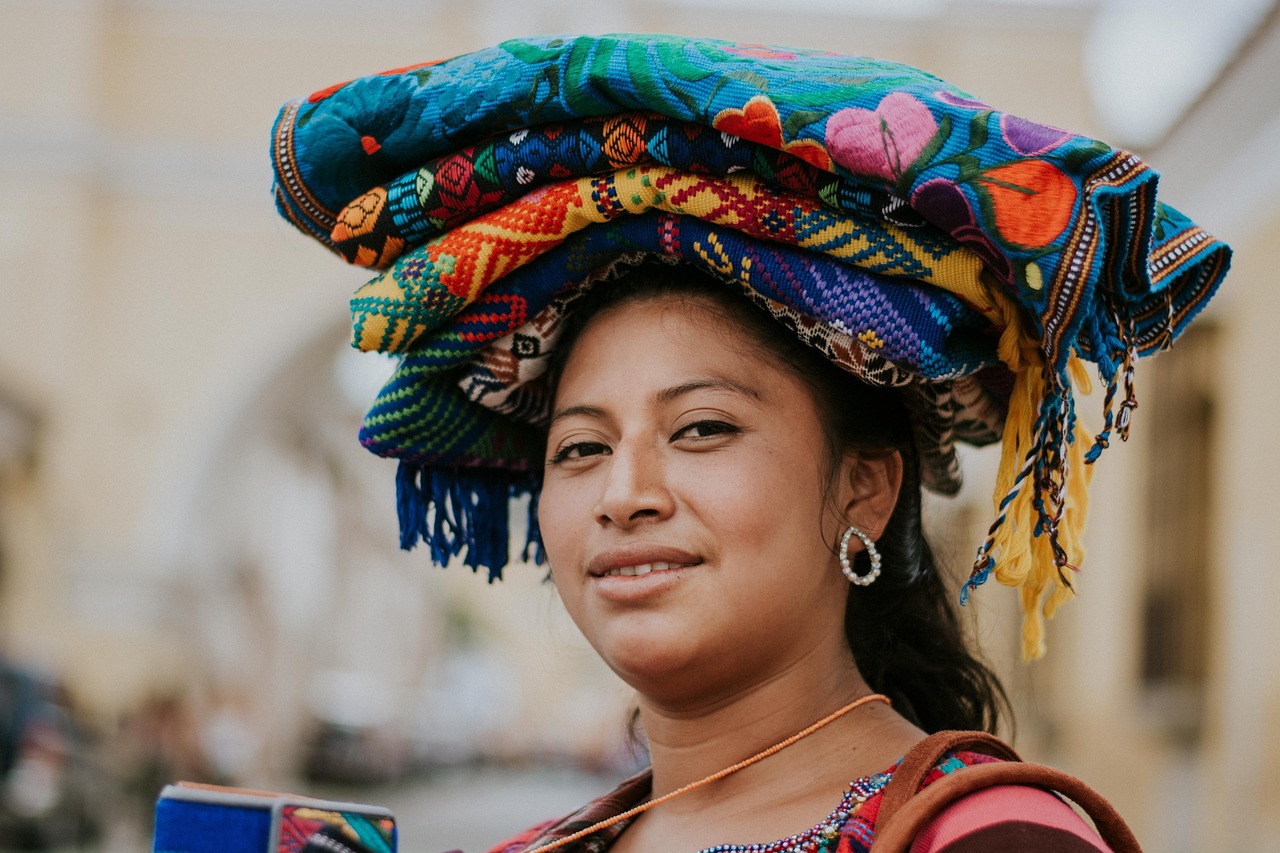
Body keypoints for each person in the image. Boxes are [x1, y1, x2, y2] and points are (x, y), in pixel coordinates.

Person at [269, 34, 1231, 851]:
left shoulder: (995, 838)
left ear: (865, 487)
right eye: (579, 448)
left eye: (701, 428)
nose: (624, 493)